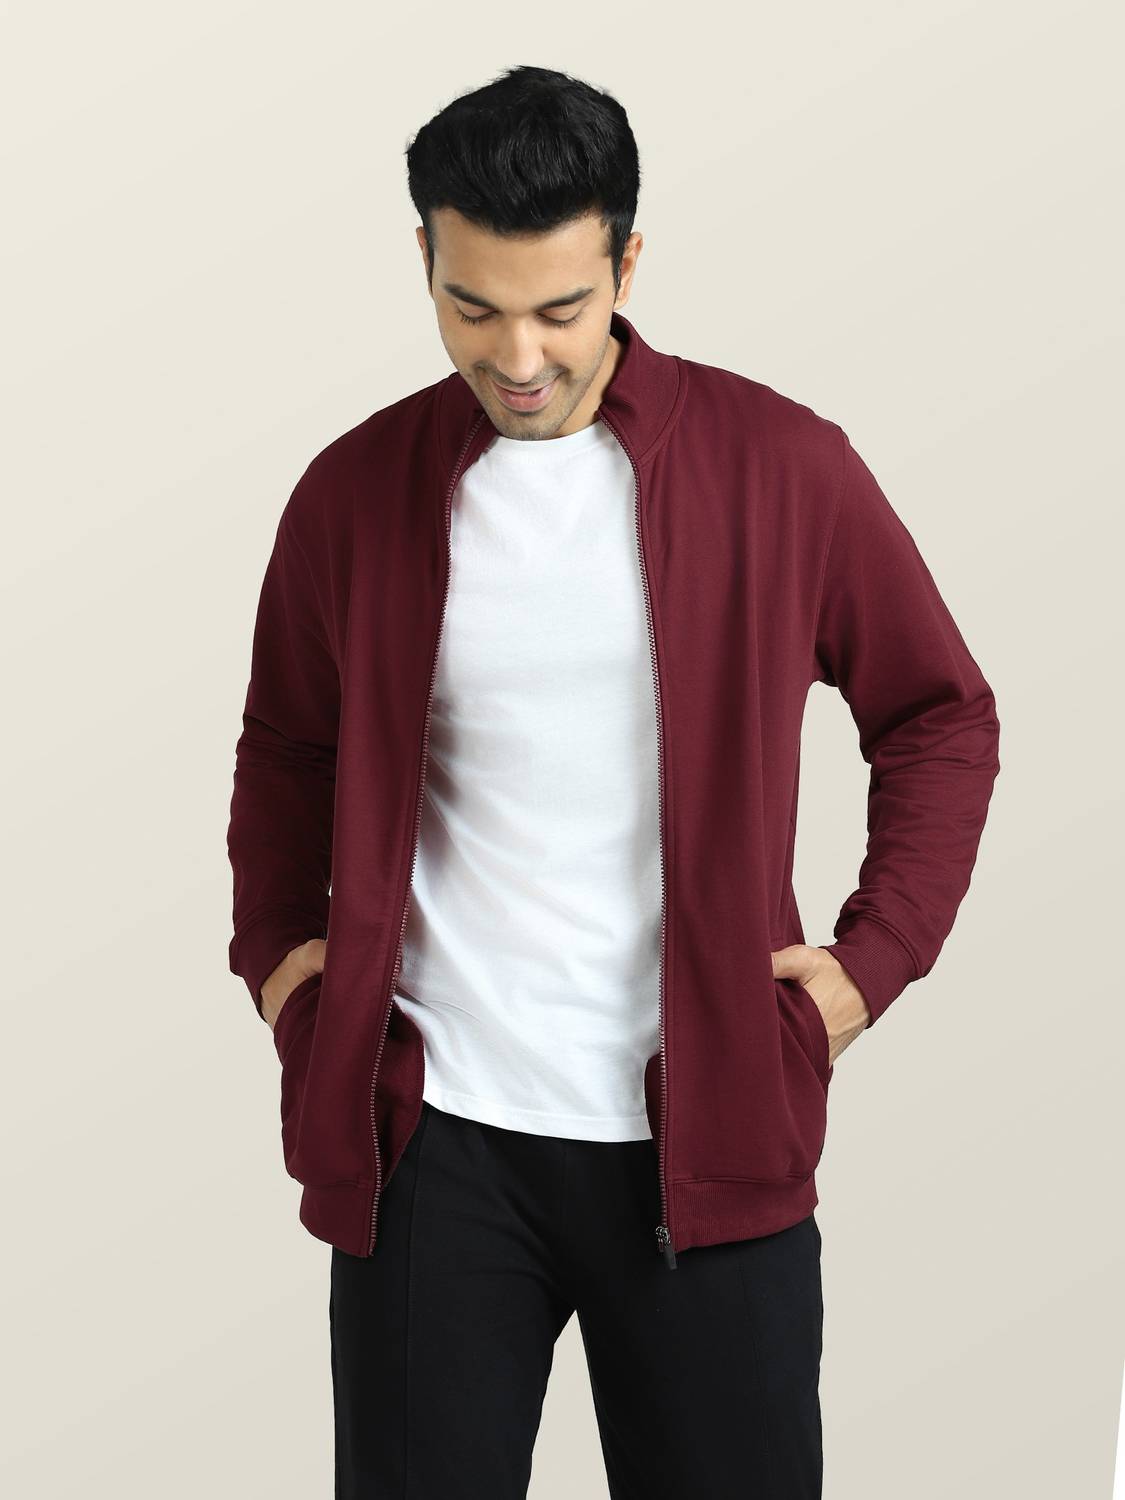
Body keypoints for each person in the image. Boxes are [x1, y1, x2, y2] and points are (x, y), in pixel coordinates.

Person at [226, 64, 1001, 1499]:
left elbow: (938, 715)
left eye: (561, 309)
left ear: (627, 265)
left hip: (710, 1129)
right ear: (424, 260)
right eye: (472, 307)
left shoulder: (782, 467)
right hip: (433, 1140)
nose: (518, 355)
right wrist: (280, 961)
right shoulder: (354, 491)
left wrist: (872, 960)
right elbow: (285, 743)